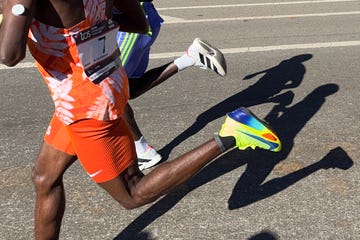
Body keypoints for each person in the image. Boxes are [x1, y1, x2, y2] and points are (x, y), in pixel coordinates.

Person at [0, 0, 281, 239]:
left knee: (132, 192)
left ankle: (233, 133)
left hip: (85, 106)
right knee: (44, 177)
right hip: (107, 78)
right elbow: (136, 22)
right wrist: (88, 28)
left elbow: (10, 54)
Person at [113, 1, 227, 170]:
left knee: (110, 90)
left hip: (129, 23)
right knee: (131, 87)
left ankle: (143, 151)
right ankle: (191, 57)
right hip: (139, 18)